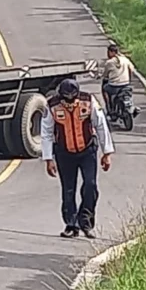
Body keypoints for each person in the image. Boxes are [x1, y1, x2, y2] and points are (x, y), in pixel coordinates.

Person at [41, 78, 115, 239]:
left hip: (87, 150)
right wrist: (48, 159)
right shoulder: (52, 106)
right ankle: (71, 225)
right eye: (65, 100)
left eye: (72, 99)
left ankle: (86, 222)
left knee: (90, 185)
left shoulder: (88, 101)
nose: (69, 103)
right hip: (63, 152)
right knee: (68, 190)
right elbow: (46, 132)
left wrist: (107, 153)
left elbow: (101, 125)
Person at [100, 43, 136, 117]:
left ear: (111, 52)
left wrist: (102, 76)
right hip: (126, 84)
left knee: (105, 89)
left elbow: (105, 74)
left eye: (108, 52)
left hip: (115, 86)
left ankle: (110, 109)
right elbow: (132, 69)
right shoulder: (125, 59)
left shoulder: (109, 62)